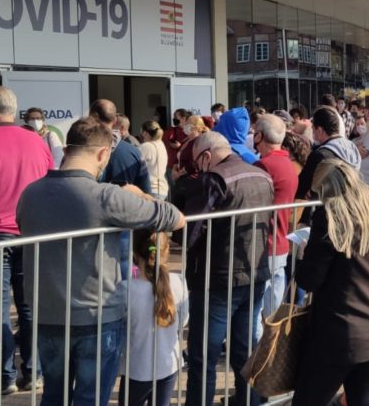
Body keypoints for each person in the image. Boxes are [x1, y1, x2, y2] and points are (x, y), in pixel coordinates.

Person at [18, 117, 184, 406]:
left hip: (47, 314)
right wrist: (142, 195)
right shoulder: (106, 196)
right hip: (97, 317)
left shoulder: (30, 194)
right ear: (102, 154)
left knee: (53, 396)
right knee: (91, 398)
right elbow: (176, 218)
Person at [292, 158, 369, 406]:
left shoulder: (330, 219)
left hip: (338, 332)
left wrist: (307, 252)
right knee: (363, 401)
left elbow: (309, 279)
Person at [0, 85, 53, 393]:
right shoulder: (36, 142)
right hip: (31, 232)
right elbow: (47, 182)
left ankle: (4, 375)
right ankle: (33, 372)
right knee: (29, 306)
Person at [187, 132, 273, 406]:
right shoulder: (262, 175)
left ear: (207, 156)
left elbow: (191, 231)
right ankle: (250, 400)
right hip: (254, 272)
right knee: (245, 350)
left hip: (218, 277)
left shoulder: (214, 178)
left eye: (197, 162)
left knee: (204, 355)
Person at [118, 230, 188, 406]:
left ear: (134, 254)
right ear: (167, 251)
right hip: (168, 365)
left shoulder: (125, 290)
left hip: (136, 367)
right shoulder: (178, 281)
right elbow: (184, 320)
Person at [90, 99, 152, 280]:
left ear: (93, 117)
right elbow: (145, 191)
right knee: (123, 273)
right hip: (124, 223)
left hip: (92, 226)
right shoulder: (133, 152)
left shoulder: (84, 150)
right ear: (115, 121)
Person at [253, 115, 298, 330]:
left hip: (265, 245)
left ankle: (259, 356)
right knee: (273, 312)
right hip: (280, 243)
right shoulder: (288, 164)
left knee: (257, 311)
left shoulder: (264, 165)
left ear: (260, 135)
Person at [296, 106, 361, 202]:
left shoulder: (320, 155)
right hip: (350, 204)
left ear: (319, 130)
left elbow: (301, 186)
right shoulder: (352, 148)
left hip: (325, 210)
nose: (312, 132)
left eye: (313, 128)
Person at [171, 116, 210, 212]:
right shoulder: (187, 140)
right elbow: (179, 157)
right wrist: (174, 168)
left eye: (188, 123)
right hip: (181, 181)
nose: (185, 125)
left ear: (196, 127)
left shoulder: (199, 141)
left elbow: (194, 162)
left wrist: (179, 173)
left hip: (191, 182)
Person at [139, 120, 169, 200]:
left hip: (149, 189)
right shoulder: (161, 145)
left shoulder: (146, 146)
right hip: (162, 189)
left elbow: (134, 165)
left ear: (144, 133)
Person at [165, 109, 190, 179]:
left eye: (176, 117)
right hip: (172, 166)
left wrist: (181, 146)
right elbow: (167, 140)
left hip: (185, 167)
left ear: (184, 118)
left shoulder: (190, 131)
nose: (174, 119)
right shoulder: (172, 130)